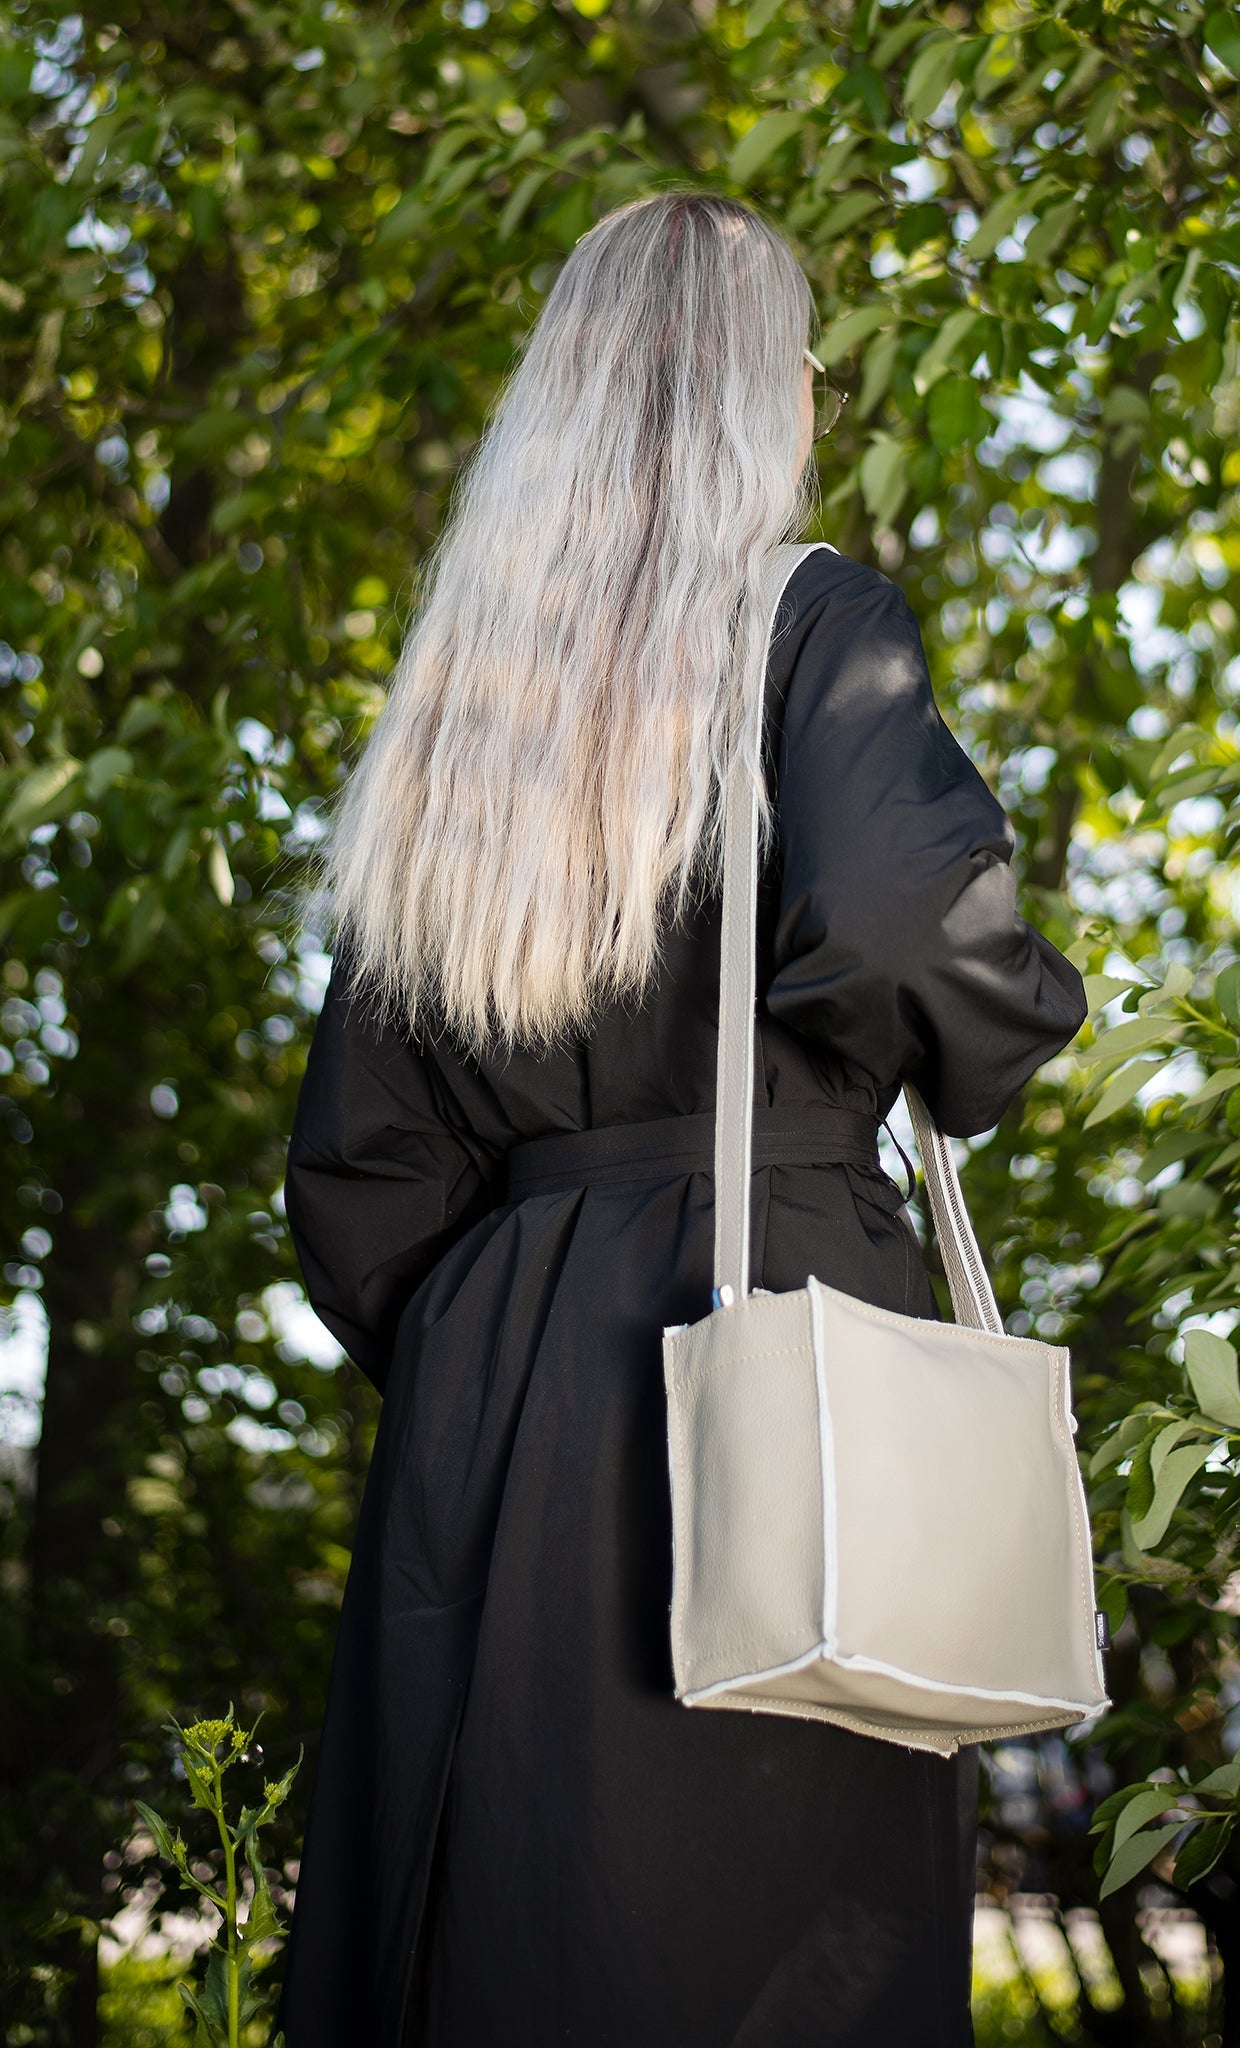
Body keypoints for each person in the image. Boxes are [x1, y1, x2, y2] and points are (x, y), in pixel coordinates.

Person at [276, 188, 1088, 2048]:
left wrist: (499, 1342)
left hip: (497, 1372)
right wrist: (962, 1048)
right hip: (778, 1317)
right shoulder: (815, 620)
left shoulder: (462, 705)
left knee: (491, 1927)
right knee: (770, 1941)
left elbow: (359, 1164)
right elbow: (904, 917)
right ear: (761, 395)